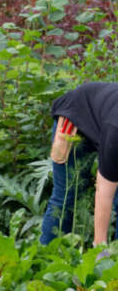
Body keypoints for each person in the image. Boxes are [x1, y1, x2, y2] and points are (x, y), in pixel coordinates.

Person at [39, 82, 118, 246]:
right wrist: (99, 247)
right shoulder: (115, 133)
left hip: (103, 113)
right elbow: (104, 193)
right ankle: (46, 257)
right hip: (75, 117)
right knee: (67, 195)